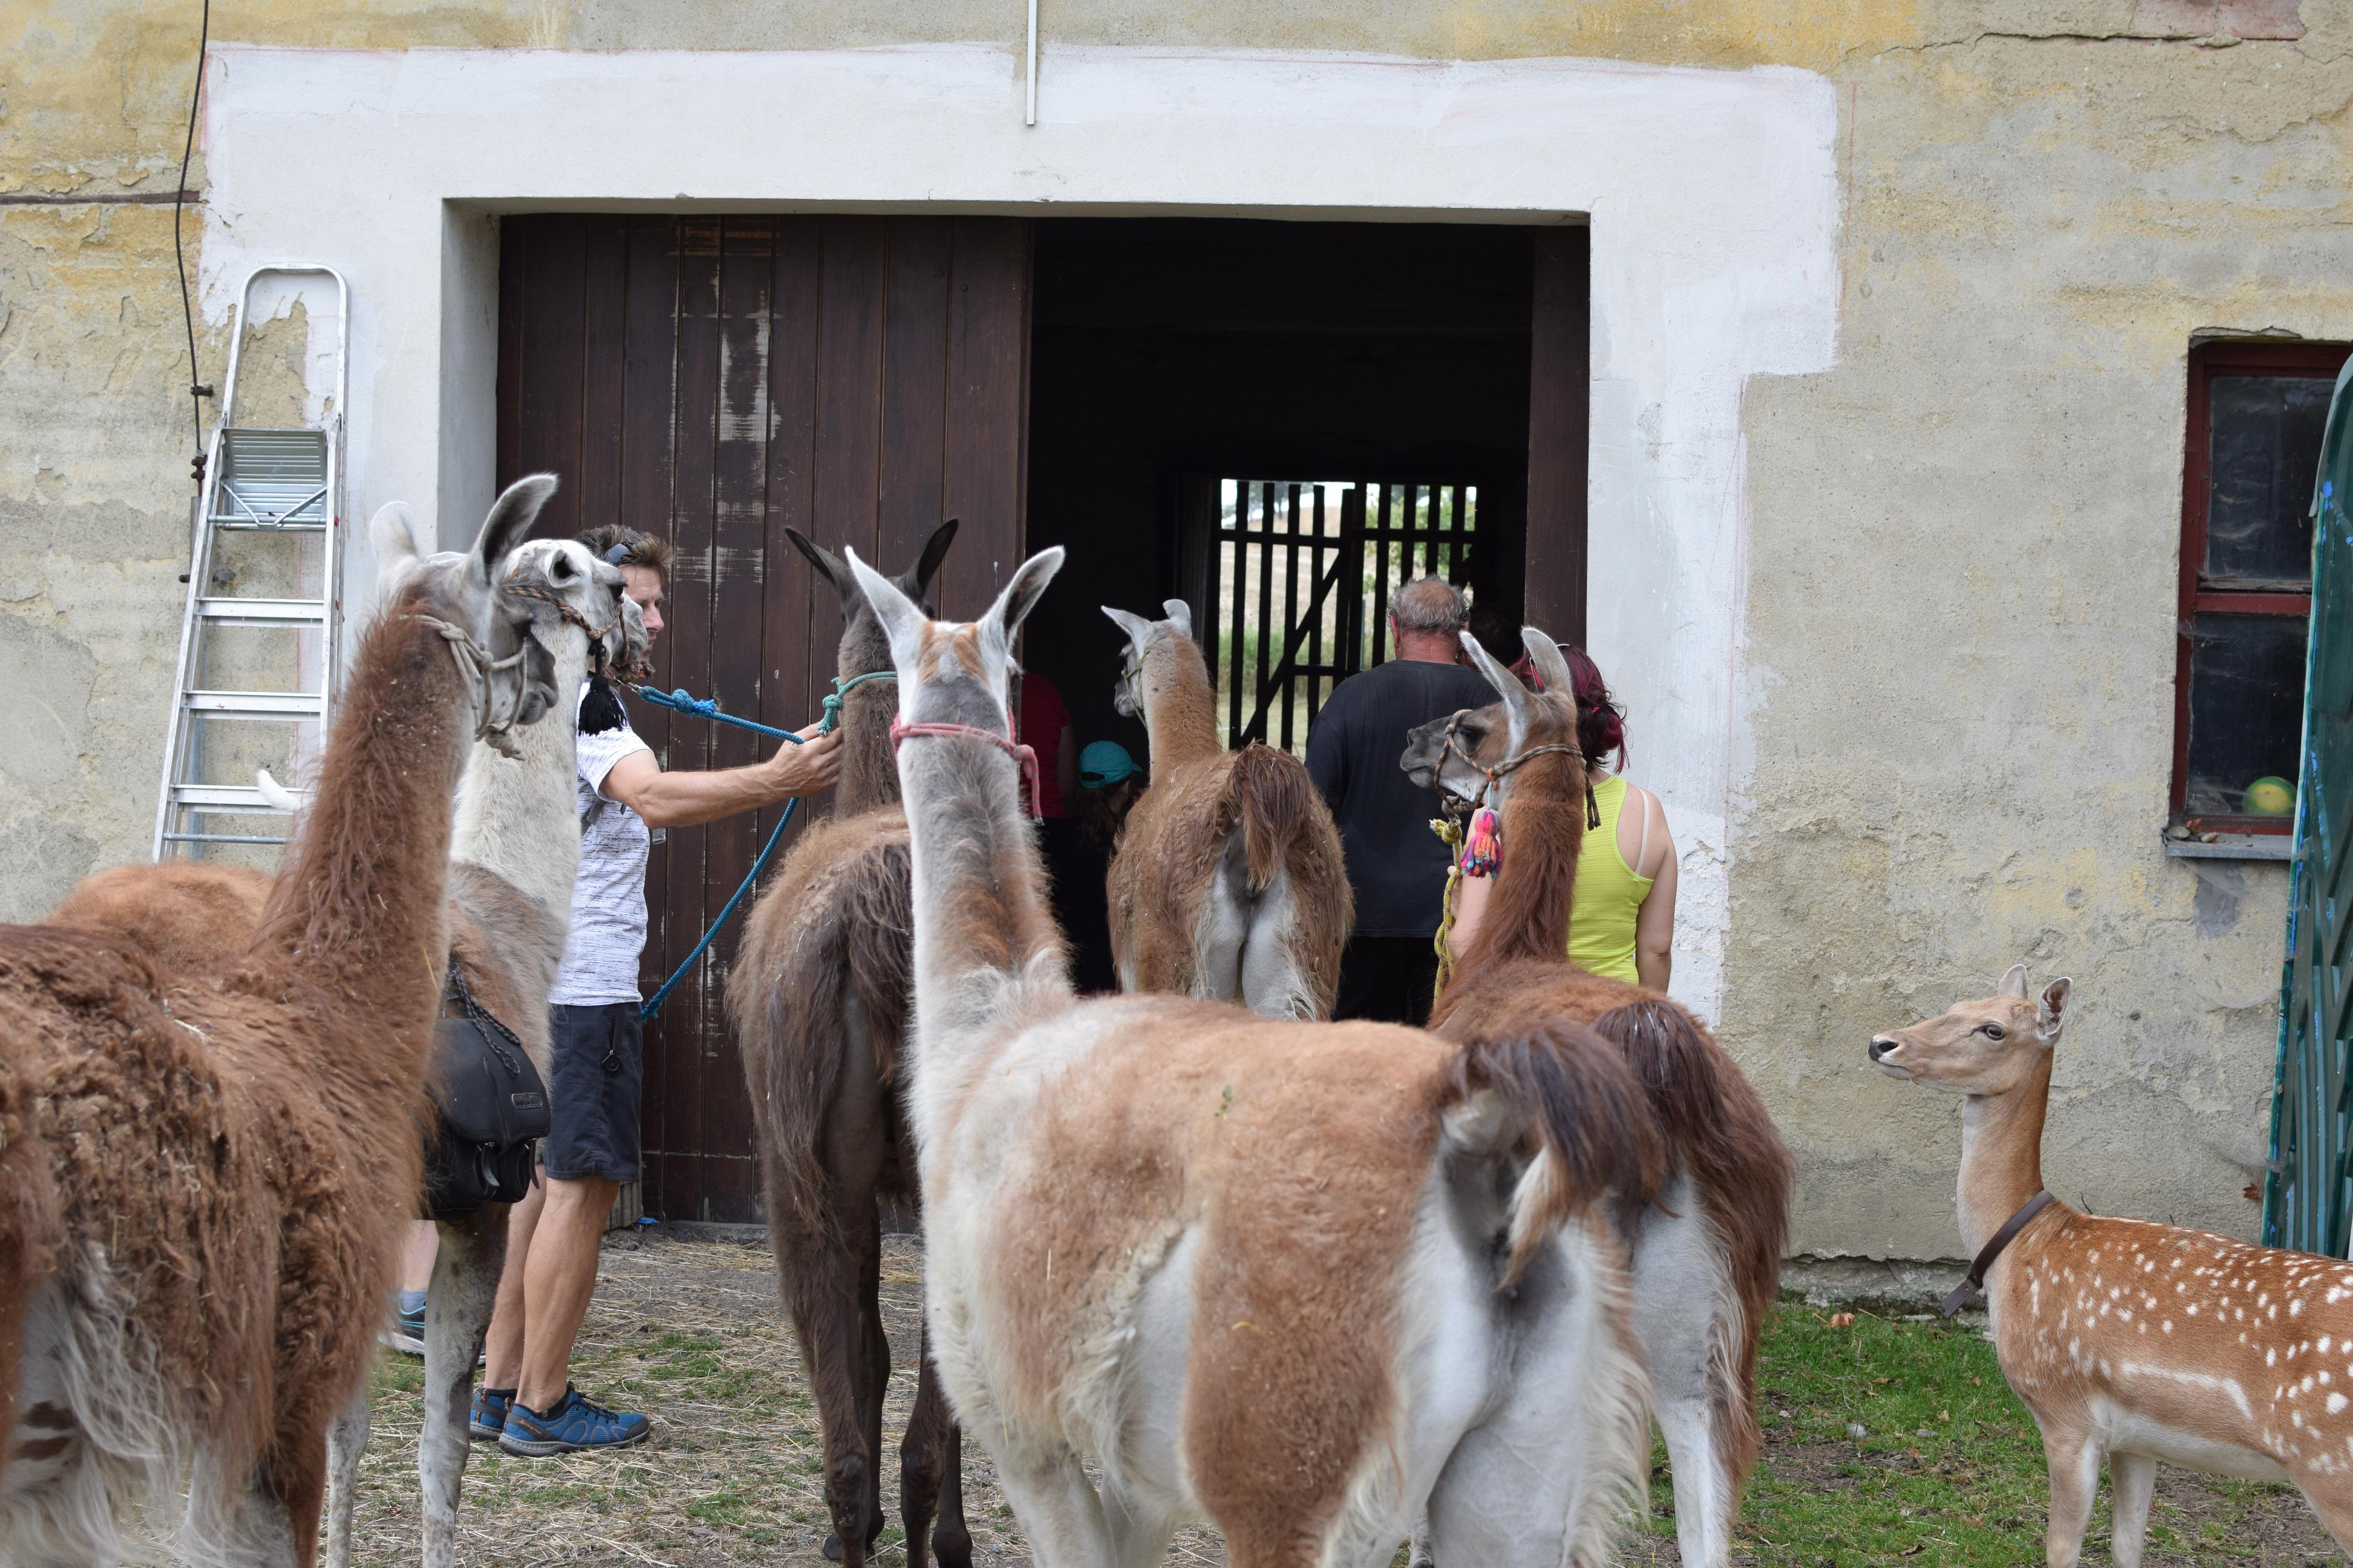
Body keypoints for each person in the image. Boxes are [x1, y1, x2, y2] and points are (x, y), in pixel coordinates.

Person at [475, 523, 842, 1456]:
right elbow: (659, 796)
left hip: (532, 980)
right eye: (637, 601)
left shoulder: (530, 694)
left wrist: (779, 760)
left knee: (534, 1191)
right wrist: (782, 777)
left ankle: (498, 1387)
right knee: (581, 1192)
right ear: (586, 610)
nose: (655, 618)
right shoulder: (590, 706)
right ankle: (542, 1406)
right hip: (583, 990)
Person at [1304, 577, 1497, 1025]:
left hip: (1362, 913)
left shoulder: (1351, 698)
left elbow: (1313, 808)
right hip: (1461, 916)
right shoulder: (1492, 707)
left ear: (1394, 626)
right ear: (1464, 630)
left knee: (1359, 1054)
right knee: (1444, 1050)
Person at [1445, 645, 1679, 991]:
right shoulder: (1647, 810)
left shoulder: (1492, 817)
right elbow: (1656, 950)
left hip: (1529, 1018)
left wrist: (1457, 904)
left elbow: (1464, 945)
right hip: (1618, 1019)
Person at [1061, 740, 1146, 993]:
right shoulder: (1127, 845)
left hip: (1071, 975)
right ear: (1128, 787)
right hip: (1113, 977)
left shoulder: (1061, 837)